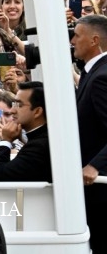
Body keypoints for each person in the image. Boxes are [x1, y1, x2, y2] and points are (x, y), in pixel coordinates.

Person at [71, 14, 107, 253]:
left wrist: (95, 165)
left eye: (76, 35)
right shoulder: (92, 73)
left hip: (101, 190)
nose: (72, 41)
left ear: (94, 40)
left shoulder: (101, 78)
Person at [0, 81, 52, 182]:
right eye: (14, 104)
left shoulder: (39, 147)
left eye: (19, 105)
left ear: (37, 112)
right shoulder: (41, 139)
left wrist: (5, 141)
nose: (12, 110)